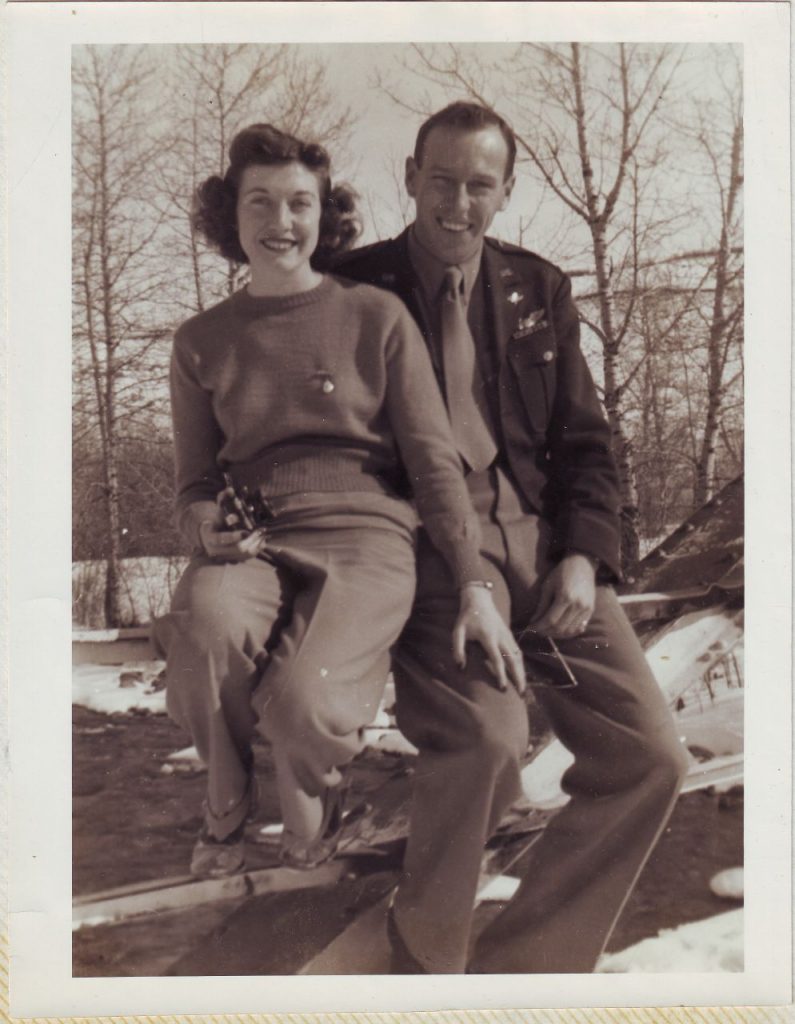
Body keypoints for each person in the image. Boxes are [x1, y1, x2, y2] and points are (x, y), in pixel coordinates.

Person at [334, 101, 690, 974]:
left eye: (479, 185)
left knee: (649, 756)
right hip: (433, 563)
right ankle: (425, 959)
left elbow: (583, 442)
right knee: (487, 743)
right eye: (442, 181)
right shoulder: (349, 291)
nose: (458, 203)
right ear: (410, 178)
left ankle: (530, 968)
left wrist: (581, 556)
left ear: (505, 191)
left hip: (540, 553)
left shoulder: (537, 288)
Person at [152, 123, 524, 879]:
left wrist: (474, 584)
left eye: (299, 203)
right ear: (233, 216)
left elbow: (434, 467)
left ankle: (312, 827)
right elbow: (193, 483)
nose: (279, 223)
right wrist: (203, 525)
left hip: (367, 537)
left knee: (304, 708)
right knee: (203, 629)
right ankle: (224, 811)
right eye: (260, 202)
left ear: (326, 217)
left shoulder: (373, 318)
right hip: (255, 539)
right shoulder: (200, 341)